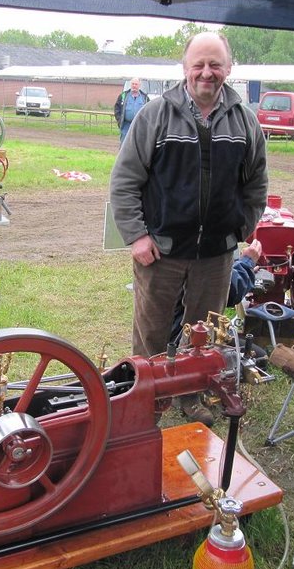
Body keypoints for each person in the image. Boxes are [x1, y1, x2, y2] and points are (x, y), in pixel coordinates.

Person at [110, 32, 268, 426]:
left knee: (203, 332)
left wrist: (240, 228)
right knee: (152, 331)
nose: (206, 73)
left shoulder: (245, 121)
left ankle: (190, 395)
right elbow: (125, 181)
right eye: (199, 64)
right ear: (185, 68)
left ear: (229, 68)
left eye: (215, 64)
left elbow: (256, 183)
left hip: (215, 254)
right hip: (160, 249)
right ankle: (145, 399)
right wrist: (137, 236)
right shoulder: (155, 115)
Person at [169, 239, 263, 345]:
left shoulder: (171, 248)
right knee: (258, 353)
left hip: (169, 329)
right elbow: (230, 291)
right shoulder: (200, 251)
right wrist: (247, 262)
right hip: (184, 336)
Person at [114, 78, 150, 143]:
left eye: (136, 84)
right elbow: (117, 109)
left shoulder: (145, 98)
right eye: (133, 84)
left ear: (139, 85)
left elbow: (149, 112)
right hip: (126, 127)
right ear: (130, 85)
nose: (134, 86)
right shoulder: (123, 96)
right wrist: (119, 120)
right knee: (124, 145)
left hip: (139, 127)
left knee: (138, 145)